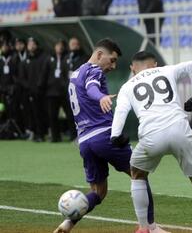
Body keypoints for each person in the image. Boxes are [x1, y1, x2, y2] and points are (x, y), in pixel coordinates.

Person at [53, 39, 167, 233]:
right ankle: (150, 228)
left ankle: (68, 223)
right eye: (112, 60)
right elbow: (91, 88)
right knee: (139, 174)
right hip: (104, 136)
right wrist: (102, 97)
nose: (113, 66)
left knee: (99, 192)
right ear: (99, 55)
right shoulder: (94, 71)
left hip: (85, 142)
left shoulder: (75, 74)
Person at [111, 51, 192, 233]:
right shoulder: (167, 70)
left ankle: (143, 227)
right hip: (179, 129)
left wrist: (115, 135)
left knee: (137, 174)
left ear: (133, 68)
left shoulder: (127, 86)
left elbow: (121, 112)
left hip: (151, 134)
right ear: (154, 64)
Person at [40, 40, 76, 142]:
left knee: (70, 114)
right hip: (51, 92)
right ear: (54, 47)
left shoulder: (67, 58)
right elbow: (44, 74)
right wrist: (42, 87)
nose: (59, 48)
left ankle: (73, 136)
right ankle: (55, 137)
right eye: (58, 46)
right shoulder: (49, 59)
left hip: (64, 92)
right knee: (52, 115)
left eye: (61, 46)